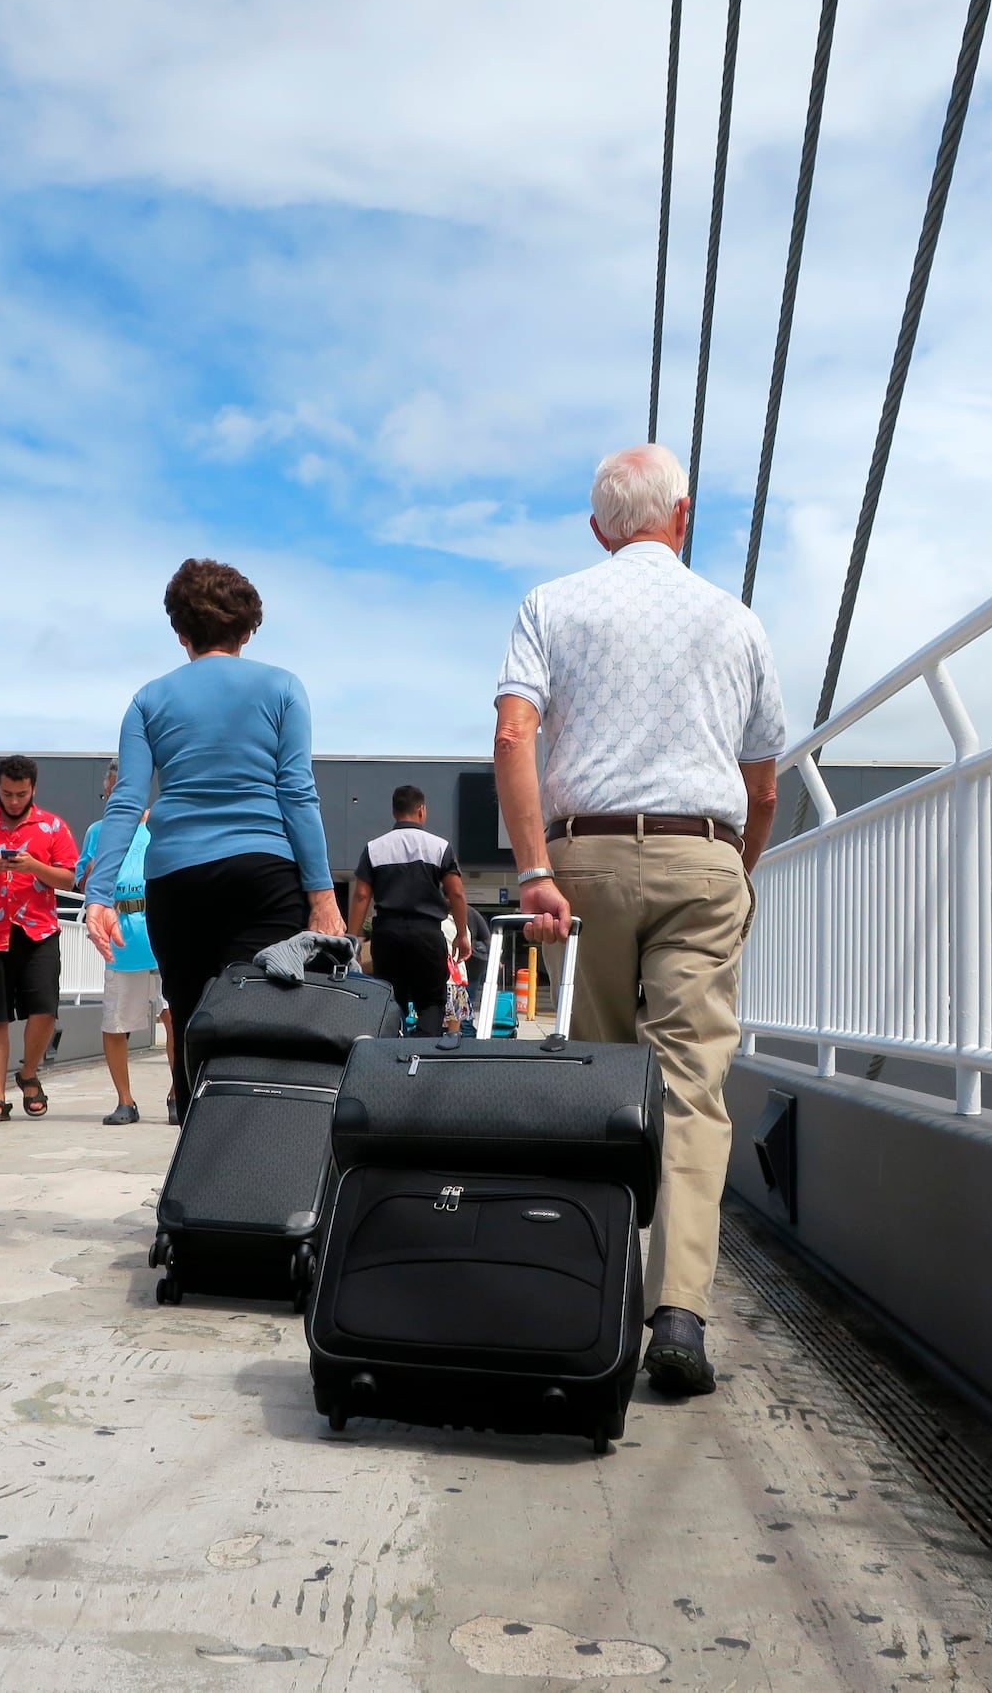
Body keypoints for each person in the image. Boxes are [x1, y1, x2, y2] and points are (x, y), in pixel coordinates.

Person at [492, 442, 784, 1398]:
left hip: (584, 864)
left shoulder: (552, 603)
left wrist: (534, 868)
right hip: (705, 855)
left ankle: (596, 1285)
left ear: (597, 529)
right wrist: (731, 874)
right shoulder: (737, 623)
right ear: (684, 515)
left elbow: (513, 732)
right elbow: (763, 781)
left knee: (598, 1082)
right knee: (694, 1089)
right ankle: (681, 1316)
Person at [83, 559, 345, 1111]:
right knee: (263, 1016)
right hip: (264, 872)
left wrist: (99, 895)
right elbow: (298, 793)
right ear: (248, 630)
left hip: (177, 879)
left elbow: (128, 801)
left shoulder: (148, 699)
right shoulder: (283, 687)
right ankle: (254, 1161)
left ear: (181, 633)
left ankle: (193, 1162)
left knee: (191, 1015)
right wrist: (322, 896)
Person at [0, 755, 79, 1124]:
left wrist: (33, 866)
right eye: (7, 793)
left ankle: (29, 1073)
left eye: (21, 794)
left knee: (44, 1012)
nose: (14, 801)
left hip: (37, 932)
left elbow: (68, 881)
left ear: (33, 789)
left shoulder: (53, 827)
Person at [77, 760, 168, 1125]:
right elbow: (83, 885)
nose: (116, 797)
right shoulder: (97, 832)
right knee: (115, 1023)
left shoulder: (162, 827)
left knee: (174, 1017)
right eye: (111, 792)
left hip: (161, 934)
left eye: (123, 790)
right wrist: (95, 866)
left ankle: (178, 1093)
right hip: (120, 939)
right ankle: (125, 1101)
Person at [348, 784, 470, 1036]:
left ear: (394, 812)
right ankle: (422, 1055)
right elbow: (456, 893)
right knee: (432, 1001)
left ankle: (392, 1055)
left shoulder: (374, 848)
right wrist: (461, 934)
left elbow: (361, 895)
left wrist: (353, 941)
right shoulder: (439, 847)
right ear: (421, 810)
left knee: (390, 1000)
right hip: (426, 934)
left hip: (387, 934)